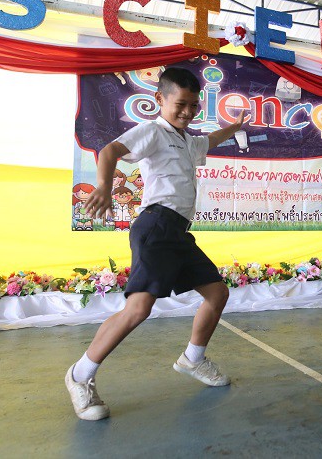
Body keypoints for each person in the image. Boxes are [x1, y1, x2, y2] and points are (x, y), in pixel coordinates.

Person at [64, 68, 245, 421]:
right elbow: (110, 151)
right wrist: (103, 186)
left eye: (194, 105)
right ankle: (80, 374)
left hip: (178, 232)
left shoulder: (187, 141)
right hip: (156, 226)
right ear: (160, 99)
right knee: (138, 309)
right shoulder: (153, 131)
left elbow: (210, 140)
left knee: (217, 293)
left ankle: (192, 358)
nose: (188, 112)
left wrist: (234, 128)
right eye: (181, 104)